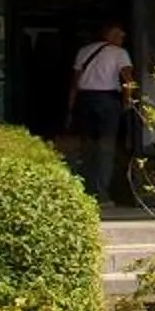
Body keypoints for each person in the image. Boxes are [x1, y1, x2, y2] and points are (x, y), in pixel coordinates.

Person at [65, 23, 135, 203]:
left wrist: (71, 108)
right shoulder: (120, 53)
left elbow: (75, 83)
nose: (122, 38)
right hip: (108, 100)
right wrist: (128, 102)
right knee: (106, 146)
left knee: (87, 146)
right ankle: (101, 191)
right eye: (120, 35)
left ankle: (86, 189)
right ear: (110, 35)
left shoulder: (84, 51)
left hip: (85, 99)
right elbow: (127, 78)